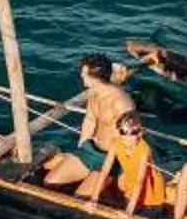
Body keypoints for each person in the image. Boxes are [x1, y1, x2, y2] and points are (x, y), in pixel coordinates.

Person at [38, 55, 136, 193]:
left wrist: (122, 168)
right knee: (49, 182)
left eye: (83, 73)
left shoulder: (121, 102)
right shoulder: (94, 93)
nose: (81, 75)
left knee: (81, 198)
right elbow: (89, 119)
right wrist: (81, 146)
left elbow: (130, 139)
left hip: (110, 159)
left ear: (94, 77)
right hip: (90, 149)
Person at [79, 107, 169, 216]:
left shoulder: (144, 150)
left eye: (133, 132)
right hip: (130, 191)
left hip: (151, 198)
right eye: (123, 132)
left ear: (141, 132)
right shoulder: (116, 144)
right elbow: (104, 171)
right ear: (118, 131)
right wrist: (94, 198)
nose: (128, 137)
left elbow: (140, 181)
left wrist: (129, 211)